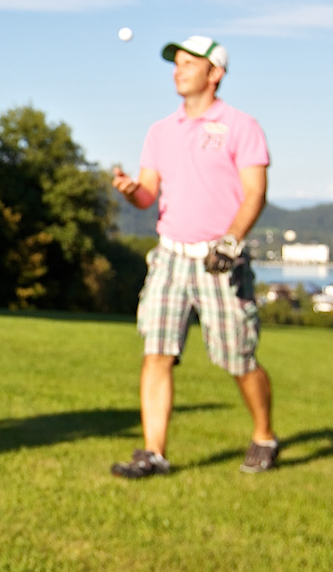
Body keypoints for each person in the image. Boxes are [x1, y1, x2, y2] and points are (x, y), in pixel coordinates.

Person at [109, 35, 278, 477]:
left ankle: (264, 435)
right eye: (176, 63)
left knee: (238, 357)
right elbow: (147, 195)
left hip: (219, 258)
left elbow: (255, 192)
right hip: (169, 256)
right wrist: (132, 191)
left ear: (215, 73)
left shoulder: (242, 126)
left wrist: (231, 240)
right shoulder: (161, 131)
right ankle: (154, 453)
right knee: (157, 351)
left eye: (189, 63)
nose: (177, 70)